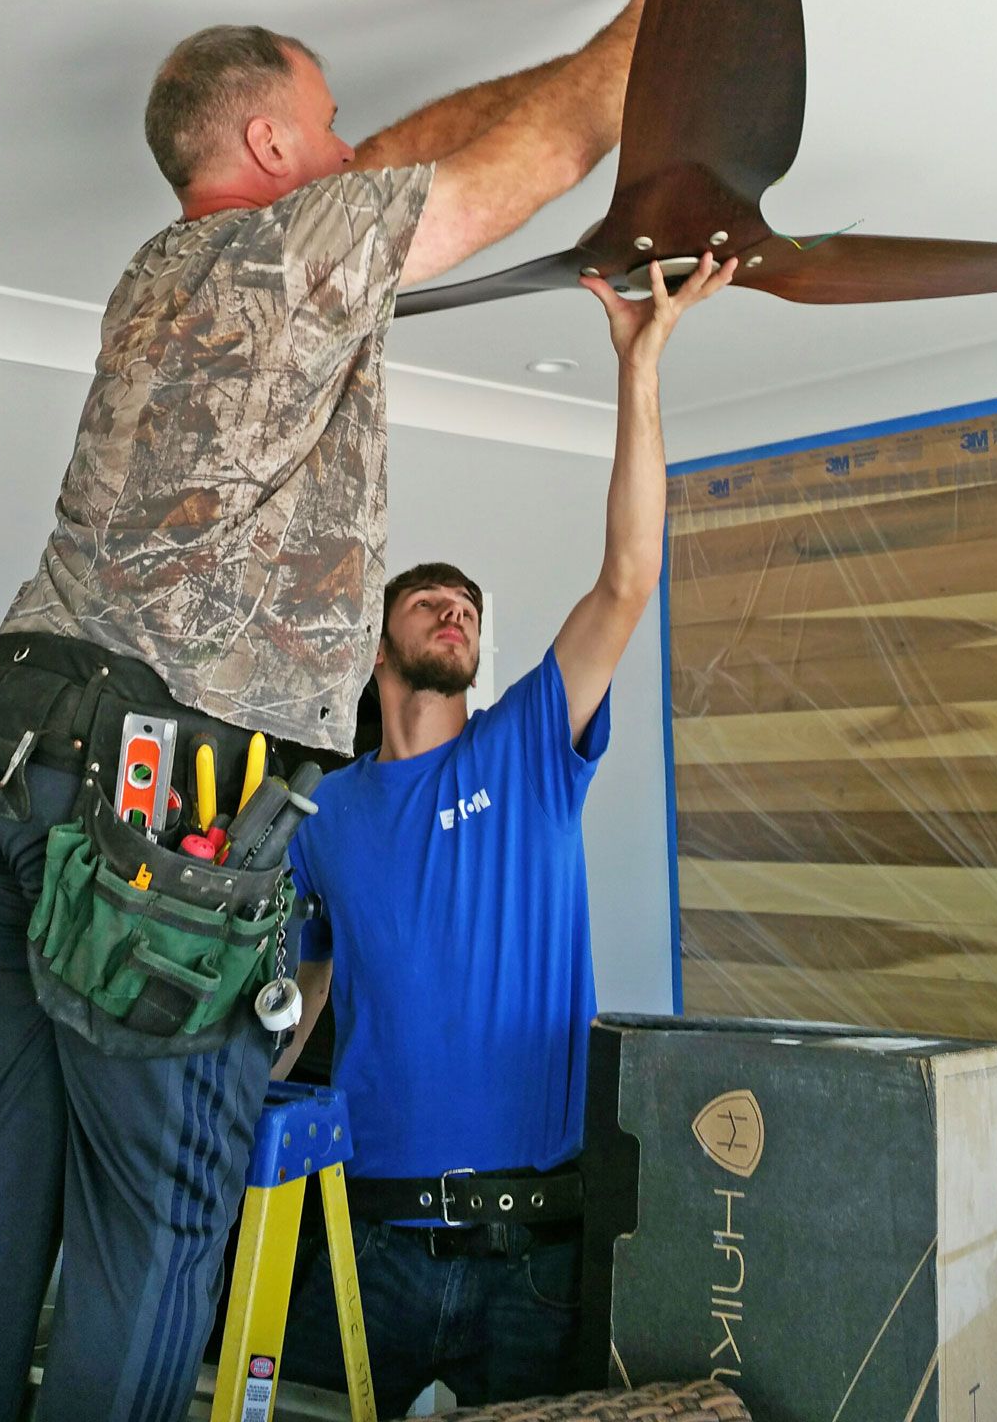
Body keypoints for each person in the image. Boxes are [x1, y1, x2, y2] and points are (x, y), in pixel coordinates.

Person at [0, 0, 658, 1422]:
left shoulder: (168, 271)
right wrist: (644, 29)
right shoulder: (286, 248)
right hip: (152, 802)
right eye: (323, 120)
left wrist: (384, 150)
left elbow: (386, 170)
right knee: (159, 1218)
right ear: (266, 152)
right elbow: (537, 155)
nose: (348, 141)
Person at [274, 250, 738, 1414]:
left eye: (469, 606)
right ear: (377, 649)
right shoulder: (321, 811)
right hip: (361, 1233)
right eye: (429, 600)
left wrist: (640, 366)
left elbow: (628, 578)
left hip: (529, 1251)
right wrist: (237, 1111)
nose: (456, 609)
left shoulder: (527, 747)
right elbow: (306, 983)